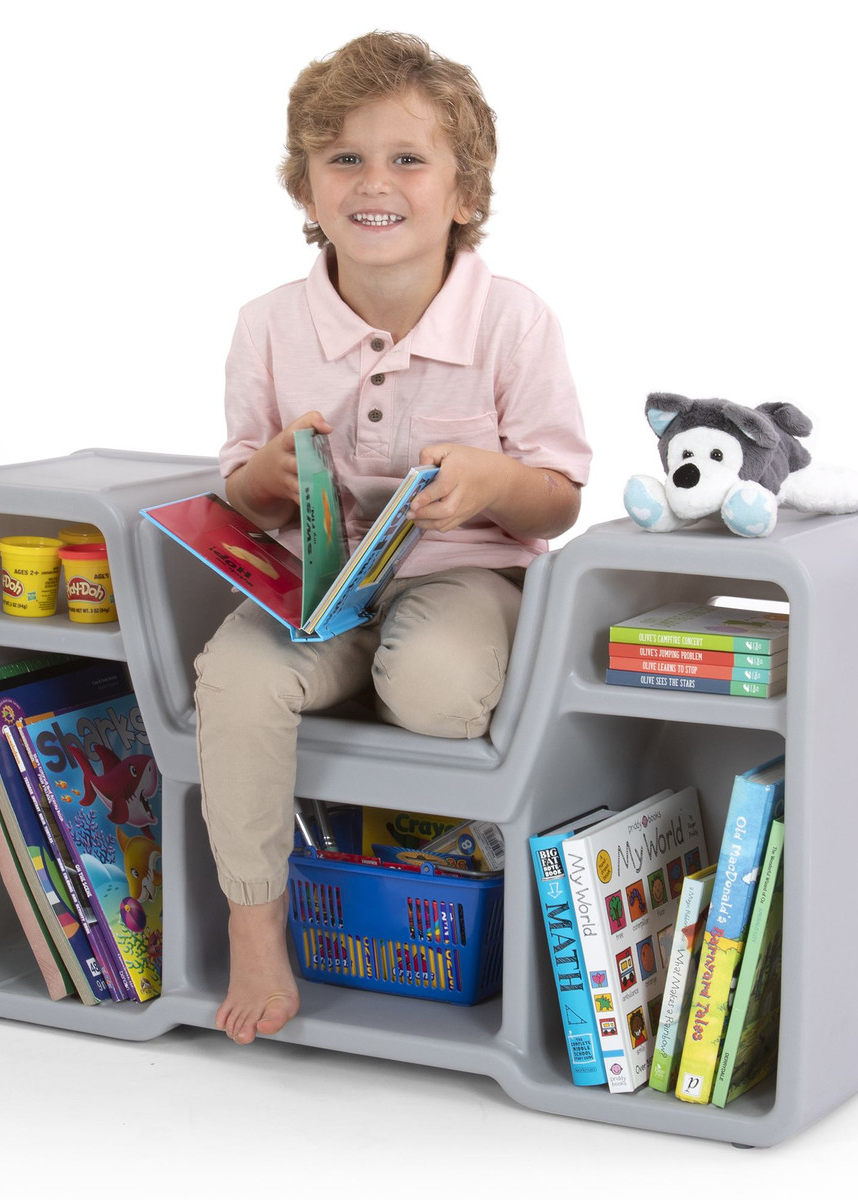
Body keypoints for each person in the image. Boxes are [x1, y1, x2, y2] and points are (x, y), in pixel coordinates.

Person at [195, 30, 591, 1045]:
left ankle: (377, 690)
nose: (376, 182)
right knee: (235, 677)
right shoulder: (268, 324)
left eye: (408, 158)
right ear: (307, 187)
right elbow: (242, 486)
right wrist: (268, 479)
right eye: (346, 158)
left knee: (439, 689)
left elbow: (558, 499)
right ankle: (255, 919)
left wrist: (497, 480)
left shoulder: (512, 321)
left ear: (465, 194)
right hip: (314, 593)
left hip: (462, 581)